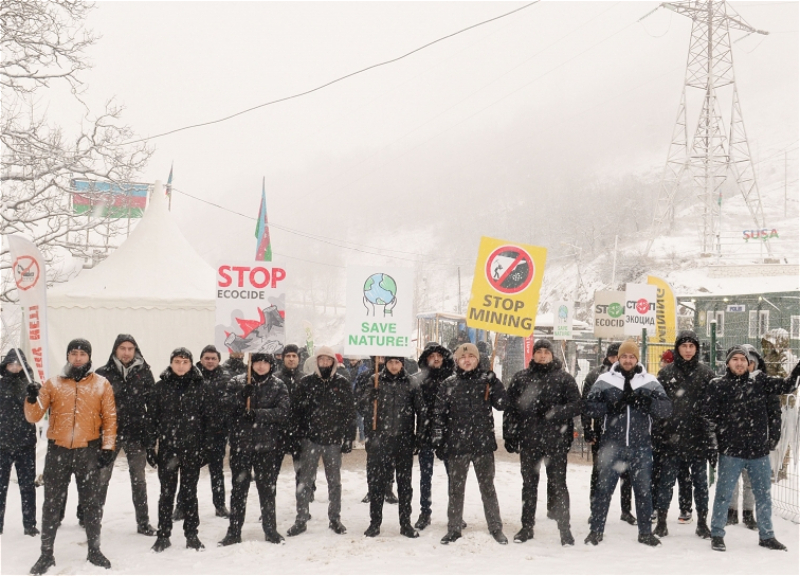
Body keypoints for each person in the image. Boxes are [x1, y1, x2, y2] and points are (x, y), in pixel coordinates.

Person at [25, 339, 117, 575]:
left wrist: (108, 447)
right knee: (52, 504)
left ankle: (94, 550)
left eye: (82, 354)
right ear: (68, 356)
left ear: (89, 357)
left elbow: (109, 417)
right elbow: (34, 416)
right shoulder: (53, 384)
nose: (78, 358)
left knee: (92, 504)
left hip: (89, 451)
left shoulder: (101, 384)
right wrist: (31, 397)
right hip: (58, 451)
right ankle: (46, 554)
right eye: (73, 353)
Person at [703, 346, 800, 552]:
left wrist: (798, 369)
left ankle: (767, 536)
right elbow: (709, 419)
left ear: (749, 363)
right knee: (724, 494)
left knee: (763, 495)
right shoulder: (717, 385)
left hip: (758, 453)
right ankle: (717, 534)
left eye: (743, 360)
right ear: (728, 363)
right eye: (735, 359)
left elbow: (787, 385)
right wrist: (713, 447)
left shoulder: (760, 381)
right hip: (731, 452)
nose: (739, 363)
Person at [583, 340, 672, 547]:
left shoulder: (649, 381)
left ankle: (645, 533)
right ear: (619, 358)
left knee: (643, 490)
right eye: (624, 356)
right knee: (604, 489)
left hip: (640, 446)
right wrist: (609, 406)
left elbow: (667, 409)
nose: (628, 360)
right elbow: (588, 407)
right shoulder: (604, 380)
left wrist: (649, 402)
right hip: (611, 445)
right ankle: (596, 531)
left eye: (632, 356)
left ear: (637, 358)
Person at [504, 339, 581, 546]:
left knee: (558, 486)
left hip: (556, 441)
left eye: (547, 352)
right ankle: (526, 527)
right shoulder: (521, 378)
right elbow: (510, 408)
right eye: (539, 351)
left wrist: (557, 412)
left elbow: (576, 405)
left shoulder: (564, 379)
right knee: (529, 486)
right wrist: (510, 434)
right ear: (534, 354)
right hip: (529, 442)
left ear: (552, 355)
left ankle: (565, 530)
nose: (543, 355)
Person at [433, 343, 508, 545]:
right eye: (463, 357)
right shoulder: (448, 383)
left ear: (477, 360)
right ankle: (454, 528)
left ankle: (495, 527)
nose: (467, 360)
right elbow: (439, 414)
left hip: (482, 444)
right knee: (456, 489)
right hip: (457, 445)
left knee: (488, 488)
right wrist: (439, 439)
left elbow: (502, 404)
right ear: (457, 361)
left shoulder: (486, 381)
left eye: (471, 357)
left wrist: (496, 384)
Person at [148, 348, 215, 553]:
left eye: (185, 362)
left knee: (189, 493)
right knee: (166, 494)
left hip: (192, 449)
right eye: (177, 361)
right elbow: (151, 419)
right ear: (171, 363)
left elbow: (209, 420)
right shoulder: (160, 388)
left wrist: (206, 448)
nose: (181, 365)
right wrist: (151, 446)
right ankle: (163, 534)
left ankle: (192, 534)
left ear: (191, 364)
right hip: (168, 449)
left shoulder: (201, 387)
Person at [219, 352, 290, 545]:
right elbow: (224, 406)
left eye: (265, 362)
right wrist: (241, 396)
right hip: (241, 445)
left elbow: (283, 412)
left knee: (267, 490)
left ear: (270, 365)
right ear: (251, 363)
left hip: (266, 447)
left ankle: (270, 529)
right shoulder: (237, 381)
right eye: (257, 362)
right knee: (238, 490)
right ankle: (234, 531)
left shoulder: (278, 385)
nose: (260, 366)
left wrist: (257, 414)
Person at [652, 330, 716, 540]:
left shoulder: (706, 374)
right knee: (666, 483)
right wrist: (660, 435)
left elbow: (712, 409)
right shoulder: (666, 373)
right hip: (671, 439)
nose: (688, 350)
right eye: (684, 346)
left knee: (700, 484)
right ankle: (661, 522)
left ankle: (702, 523)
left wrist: (710, 439)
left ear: (696, 349)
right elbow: (659, 408)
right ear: (677, 348)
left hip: (698, 439)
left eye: (692, 346)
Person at [287, 346, 356, 537]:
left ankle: (335, 518)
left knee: (334, 482)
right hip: (311, 440)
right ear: (316, 361)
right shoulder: (306, 383)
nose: (325, 363)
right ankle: (301, 519)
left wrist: (349, 437)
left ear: (334, 362)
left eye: (328, 360)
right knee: (305, 481)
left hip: (333, 441)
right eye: (321, 360)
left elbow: (349, 412)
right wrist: (296, 436)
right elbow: (296, 412)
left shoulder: (342, 383)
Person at [94, 334, 157, 536]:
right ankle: (92, 519)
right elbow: (94, 405)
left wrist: (150, 435)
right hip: (109, 433)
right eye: (123, 348)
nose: (127, 352)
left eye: (130, 348)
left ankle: (143, 522)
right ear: (115, 350)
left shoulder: (144, 372)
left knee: (138, 480)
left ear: (135, 351)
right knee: (102, 478)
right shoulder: (102, 373)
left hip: (136, 433)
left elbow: (153, 405)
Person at [361, 356, 426, 538]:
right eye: (390, 362)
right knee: (377, 484)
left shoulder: (411, 382)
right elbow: (362, 407)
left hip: (403, 440)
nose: (394, 366)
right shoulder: (374, 380)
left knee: (405, 485)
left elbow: (421, 411)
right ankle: (375, 523)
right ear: (385, 363)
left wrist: (418, 436)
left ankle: (405, 524)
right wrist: (369, 398)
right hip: (379, 440)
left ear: (402, 364)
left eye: (397, 362)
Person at [580, 343, 636, 526]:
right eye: (613, 357)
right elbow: (586, 405)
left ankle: (626, 510)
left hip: (627, 433)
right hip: (602, 433)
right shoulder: (597, 376)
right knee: (599, 473)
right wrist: (587, 429)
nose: (616, 360)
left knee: (626, 474)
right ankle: (595, 509)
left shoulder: (634, 376)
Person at [412, 342, 454, 531]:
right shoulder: (418, 381)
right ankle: (425, 512)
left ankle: (455, 513)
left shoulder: (454, 379)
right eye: (431, 356)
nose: (436, 359)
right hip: (426, 434)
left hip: (449, 435)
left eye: (439, 355)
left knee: (454, 477)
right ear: (426, 359)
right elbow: (410, 410)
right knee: (425, 476)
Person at [0, 349, 38, 537]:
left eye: (18, 364)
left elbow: (40, 409)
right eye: (11, 364)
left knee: (28, 487)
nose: (14, 367)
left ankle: (30, 524)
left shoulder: (31, 386)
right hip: (2, 446)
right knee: (0, 487)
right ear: (5, 365)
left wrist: (33, 396)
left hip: (25, 444)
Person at [192, 344, 231, 519]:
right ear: (201, 359)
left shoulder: (226, 379)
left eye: (213, 358)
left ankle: (220, 505)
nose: (209, 361)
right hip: (195, 432)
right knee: (189, 471)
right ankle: (182, 505)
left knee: (217, 471)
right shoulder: (191, 376)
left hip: (217, 433)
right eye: (206, 358)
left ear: (218, 360)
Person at [354, 356, 398, 505]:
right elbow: (359, 402)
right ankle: (372, 490)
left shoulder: (394, 376)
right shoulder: (365, 376)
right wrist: (370, 400)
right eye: (378, 356)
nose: (381, 359)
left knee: (390, 459)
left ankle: (388, 489)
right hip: (373, 426)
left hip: (391, 426)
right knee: (373, 460)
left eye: (384, 357)